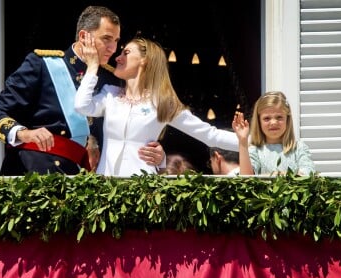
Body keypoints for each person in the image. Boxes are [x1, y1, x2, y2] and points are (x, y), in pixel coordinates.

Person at [0, 5, 164, 176]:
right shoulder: (43, 65)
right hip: (34, 174)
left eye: (116, 41)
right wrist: (25, 133)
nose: (113, 48)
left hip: (85, 179)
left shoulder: (112, 79)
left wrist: (157, 154)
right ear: (83, 36)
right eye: (106, 39)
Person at [74, 36, 240, 176]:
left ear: (144, 61)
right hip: (106, 189)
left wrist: (255, 142)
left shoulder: (161, 102)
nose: (118, 57)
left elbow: (210, 135)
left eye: (126, 53)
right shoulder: (110, 94)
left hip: (143, 192)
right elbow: (82, 106)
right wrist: (92, 67)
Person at [233, 91, 315, 176]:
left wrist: (278, 175)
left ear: (287, 119)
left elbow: (308, 173)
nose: (273, 122)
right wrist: (242, 140)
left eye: (279, 117)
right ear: (259, 121)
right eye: (267, 118)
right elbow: (247, 178)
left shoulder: (298, 148)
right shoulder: (255, 150)